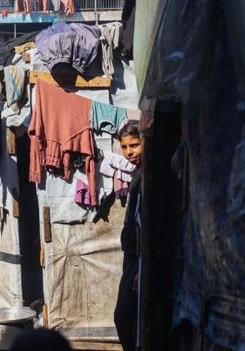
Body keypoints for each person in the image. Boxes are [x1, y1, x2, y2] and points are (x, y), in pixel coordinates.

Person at [113, 122, 143, 351]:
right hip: (131, 256)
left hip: (141, 259)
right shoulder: (138, 175)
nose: (129, 152)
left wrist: (144, 266)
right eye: (124, 147)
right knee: (127, 321)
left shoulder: (152, 176)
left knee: (124, 319)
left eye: (134, 145)